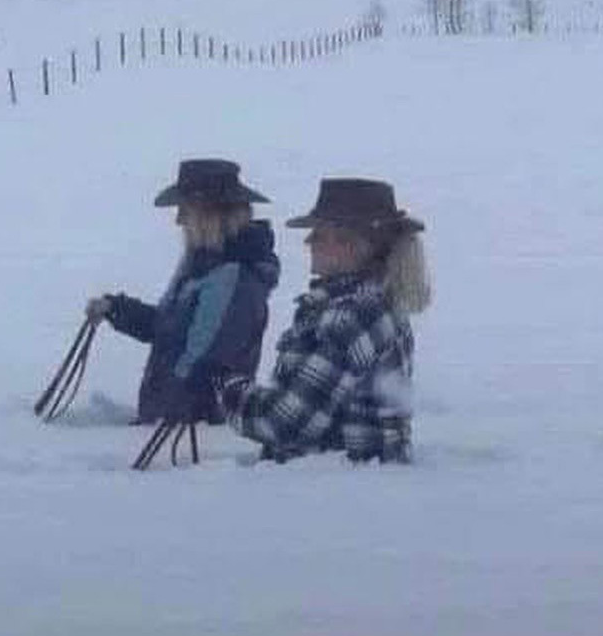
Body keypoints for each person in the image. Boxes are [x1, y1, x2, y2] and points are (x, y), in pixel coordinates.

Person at [216, 178, 431, 463]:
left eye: (318, 233)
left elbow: (286, 423)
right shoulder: (372, 306)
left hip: (335, 484)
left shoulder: (351, 316)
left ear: (350, 244)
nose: (309, 242)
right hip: (351, 482)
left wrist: (225, 385)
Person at [86, 159, 280, 425]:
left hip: (194, 431)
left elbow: (205, 364)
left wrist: (170, 414)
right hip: (174, 428)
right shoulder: (205, 265)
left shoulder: (234, 277)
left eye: (185, 210)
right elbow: (169, 330)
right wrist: (116, 308)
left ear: (212, 214)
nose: (178, 220)